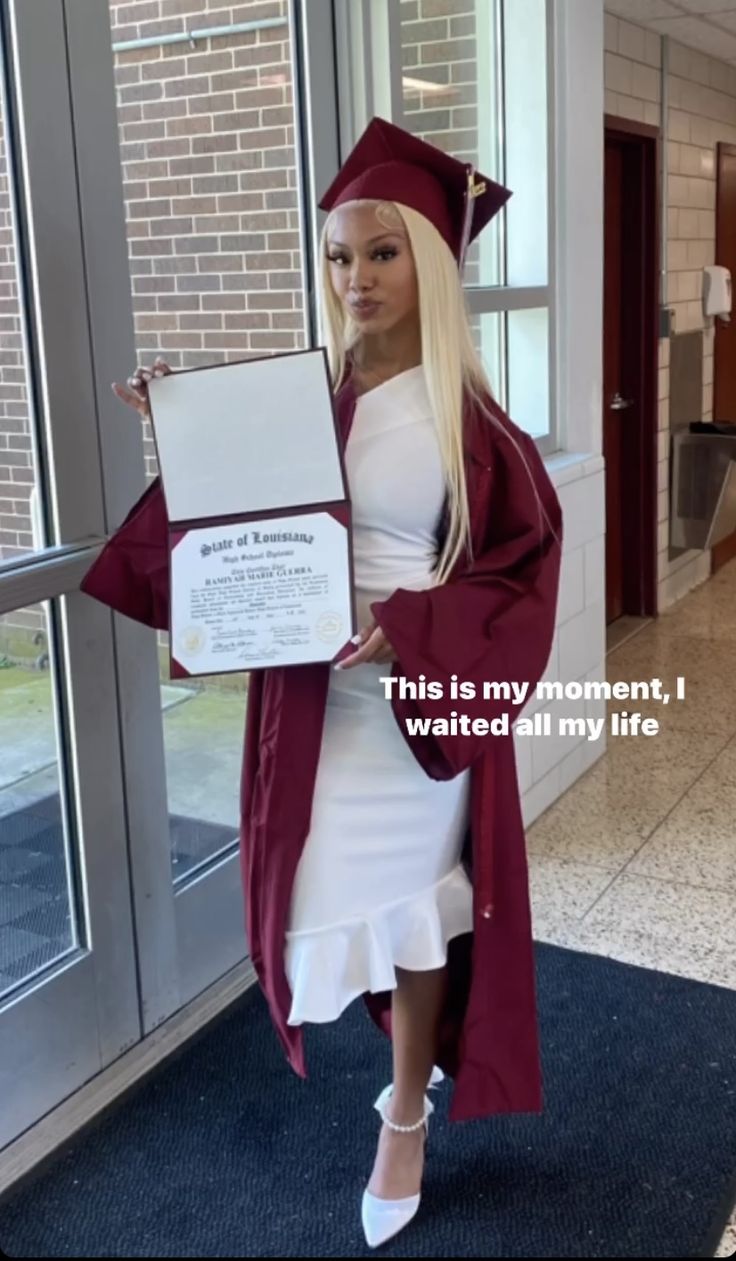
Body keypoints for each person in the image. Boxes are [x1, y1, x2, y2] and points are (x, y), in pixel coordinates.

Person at [81, 116, 564, 1249]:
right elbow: (242, 524)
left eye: (384, 252)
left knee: (410, 912)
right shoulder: (303, 401)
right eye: (341, 254)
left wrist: (411, 631)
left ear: (431, 265)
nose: (356, 278)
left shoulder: (474, 425)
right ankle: (402, 1078)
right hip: (311, 700)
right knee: (313, 895)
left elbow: (518, 578)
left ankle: (405, 1112)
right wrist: (190, 435)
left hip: (411, 710)